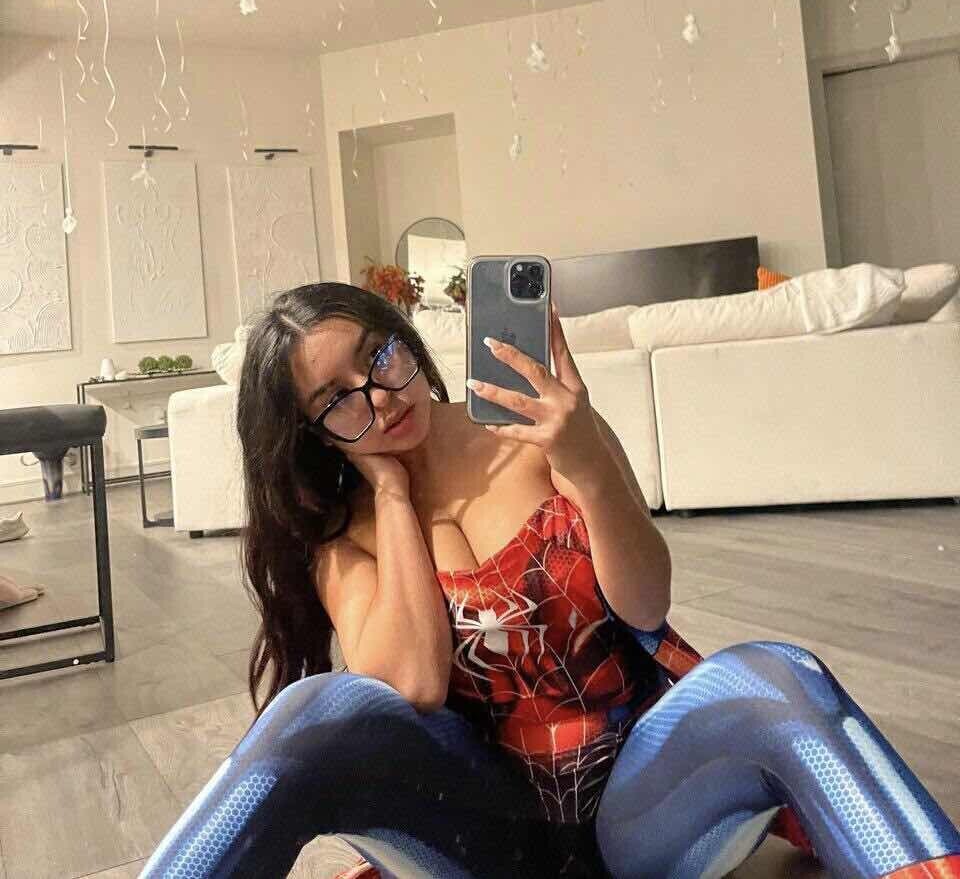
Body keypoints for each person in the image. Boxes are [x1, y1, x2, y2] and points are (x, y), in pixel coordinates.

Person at [140, 281, 960, 879]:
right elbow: (413, 681)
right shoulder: (345, 534)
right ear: (316, 434)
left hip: (642, 805)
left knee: (779, 676)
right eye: (338, 400)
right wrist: (390, 492)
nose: (380, 397)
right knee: (309, 712)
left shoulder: (544, 432)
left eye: (379, 355)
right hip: (482, 838)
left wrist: (587, 462)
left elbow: (647, 601)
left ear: (404, 337)